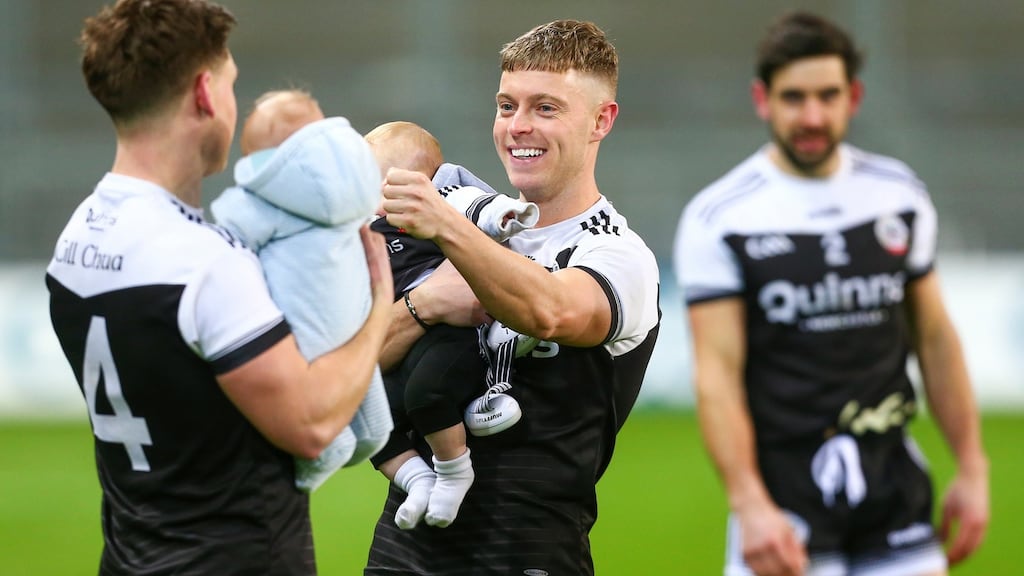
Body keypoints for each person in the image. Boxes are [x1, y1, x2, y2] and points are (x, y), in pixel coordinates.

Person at [44, 2, 393, 574]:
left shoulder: (77, 236)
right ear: (206, 93)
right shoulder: (204, 262)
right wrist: (379, 304)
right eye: (232, 84)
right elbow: (310, 425)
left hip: (129, 557)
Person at [672, 11, 989, 576]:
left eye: (828, 95)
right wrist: (749, 505)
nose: (812, 116)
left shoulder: (898, 196)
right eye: (794, 98)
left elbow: (936, 340)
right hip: (783, 499)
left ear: (854, 97)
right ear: (762, 99)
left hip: (894, 487)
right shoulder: (719, 217)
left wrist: (971, 467)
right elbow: (716, 375)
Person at [365, 19, 662, 575]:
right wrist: (424, 304)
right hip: (401, 555)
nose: (517, 127)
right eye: (507, 106)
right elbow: (344, 371)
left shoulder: (618, 256)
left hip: (526, 554)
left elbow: (550, 311)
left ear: (602, 120)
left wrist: (449, 232)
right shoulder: (464, 220)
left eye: (545, 108)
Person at [210, 89, 394, 493]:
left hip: (304, 337)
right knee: (375, 431)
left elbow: (229, 234)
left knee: (321, 443)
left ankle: (291, 491)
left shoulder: (266, 200)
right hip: (356, 322)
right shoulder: (359, 185)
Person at [364, 120, 541, 530]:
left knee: (427, 392)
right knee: (364, 414)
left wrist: (508, 216)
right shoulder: (360, 233)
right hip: (402, 333)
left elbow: (480, 208)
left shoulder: (440, 203)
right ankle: (417, 480)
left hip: (450, 331)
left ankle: (452, 473)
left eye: (373, 186)